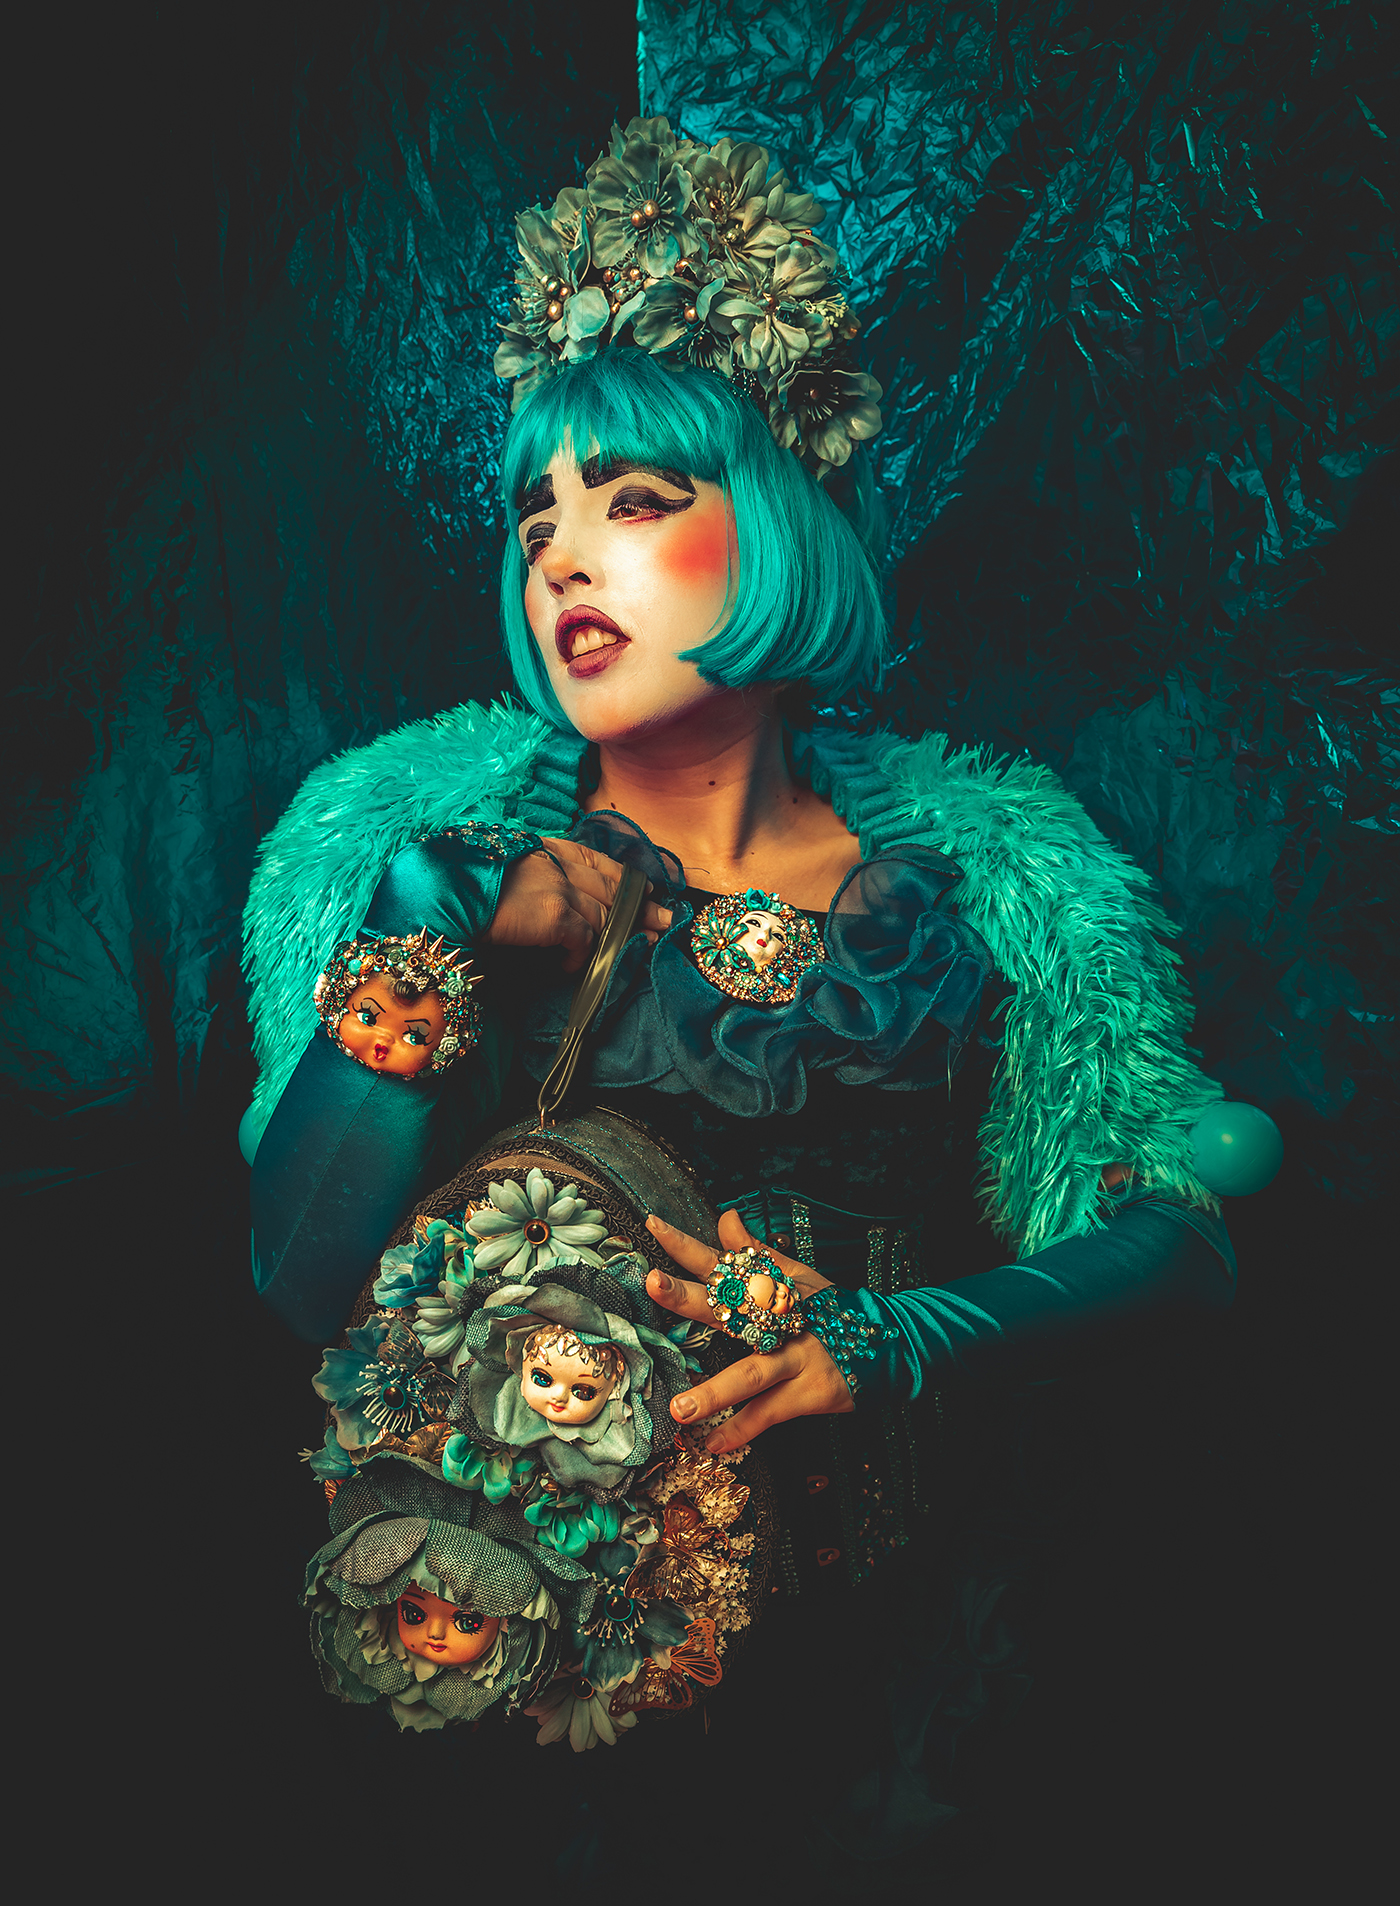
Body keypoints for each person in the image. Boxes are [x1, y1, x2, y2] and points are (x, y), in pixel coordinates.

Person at [243, 117, 1251, 1875]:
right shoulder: (407, 845)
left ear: (777, 522)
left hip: (893, 1688)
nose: (566, 558)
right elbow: (302, 1280)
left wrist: (898, 1343)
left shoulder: (1004, 876)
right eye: (539, 518)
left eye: (636, 501)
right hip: (526, 1683)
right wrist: (432, 926)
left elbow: (1183, 1235)